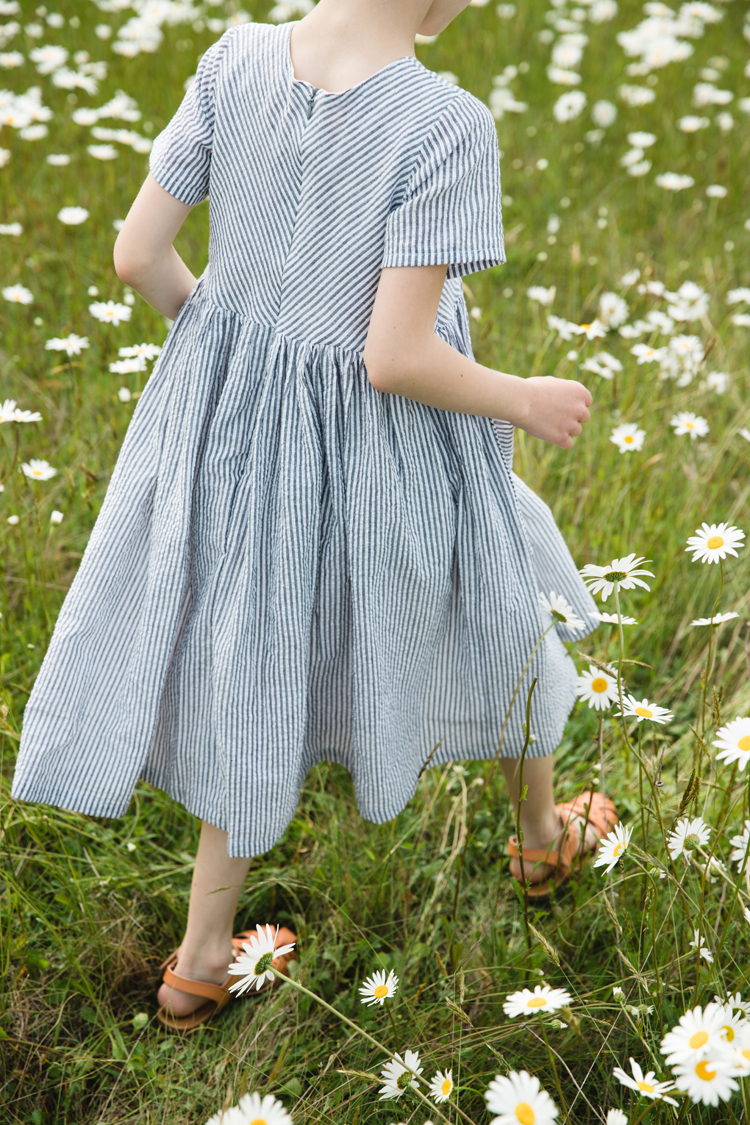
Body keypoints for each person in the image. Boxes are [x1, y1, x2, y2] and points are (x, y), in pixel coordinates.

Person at [11, 0, 617, 1028]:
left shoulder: (233, 58)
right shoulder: (443, 124)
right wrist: (524, 396)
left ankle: (200, 963)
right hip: (391, 444)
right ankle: (539, 836)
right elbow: (395, 357)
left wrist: (238, 363)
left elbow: (137, 257)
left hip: (232, 435)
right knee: (488, 598)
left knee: (255, 657)